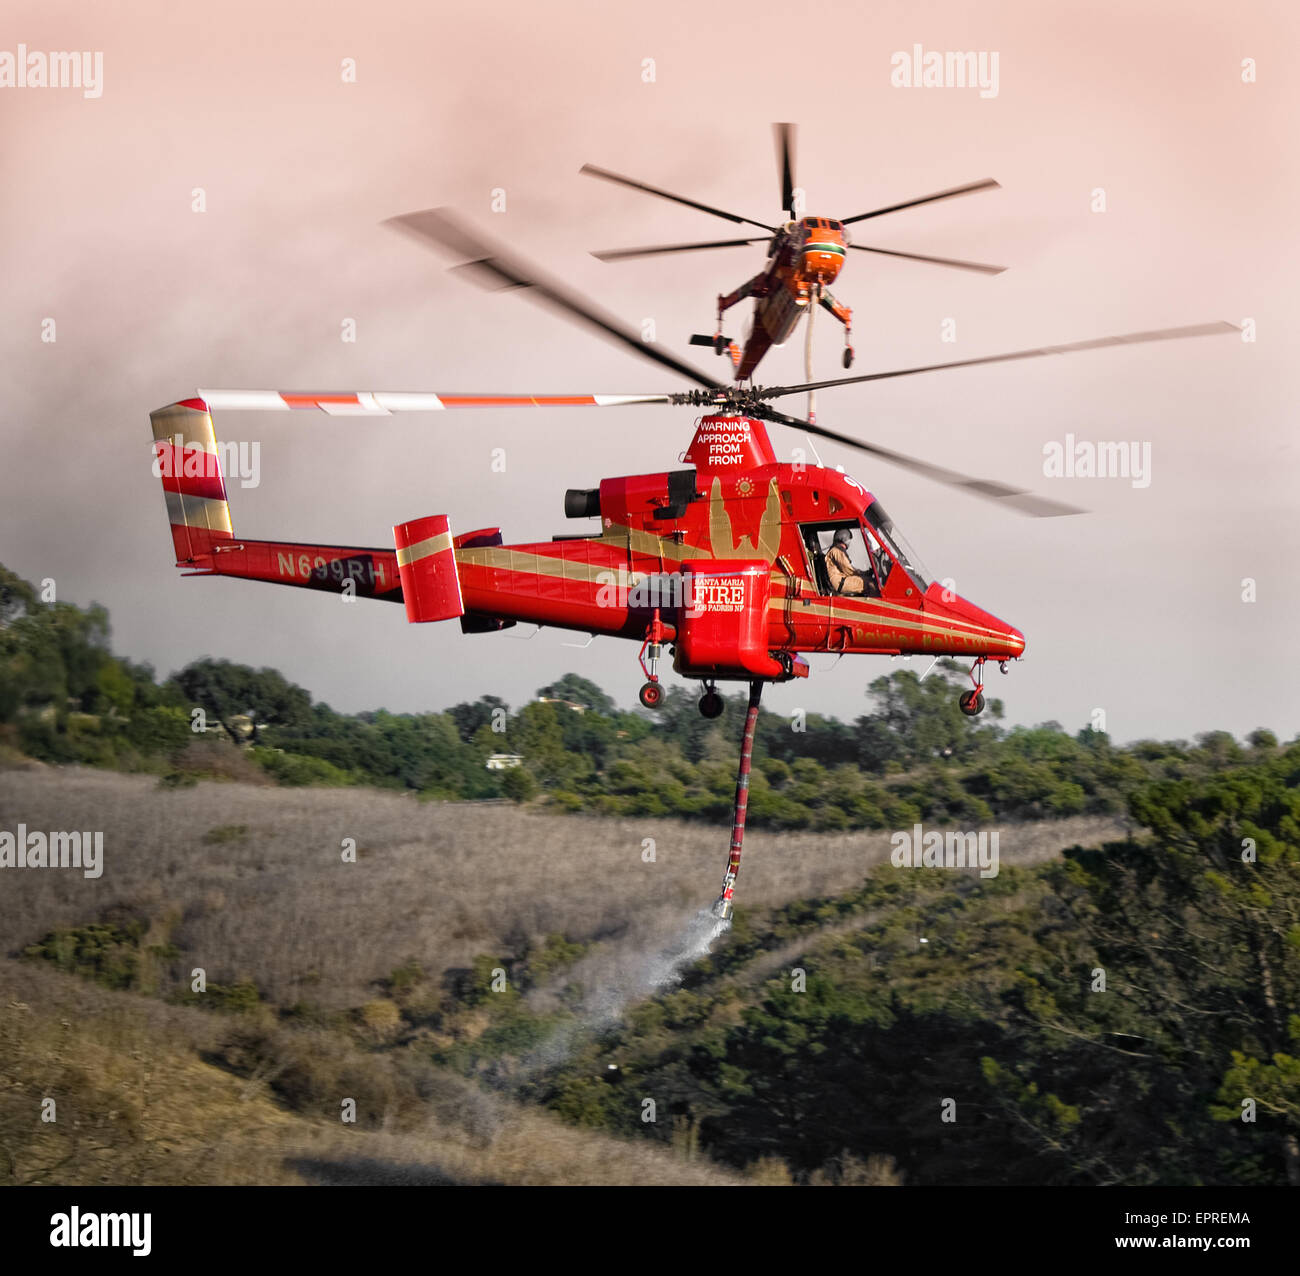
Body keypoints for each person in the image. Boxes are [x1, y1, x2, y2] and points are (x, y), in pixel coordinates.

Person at [825, 527, 874, 596]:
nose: (849, 542)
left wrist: (864, 573)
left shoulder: (837, 550)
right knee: (870, 583)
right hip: (839, 582)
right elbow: (848, 570)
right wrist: (864, 573)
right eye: (848, 540)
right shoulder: (837, 551)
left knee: (867, 579)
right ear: (843, 539)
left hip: (840, 580)